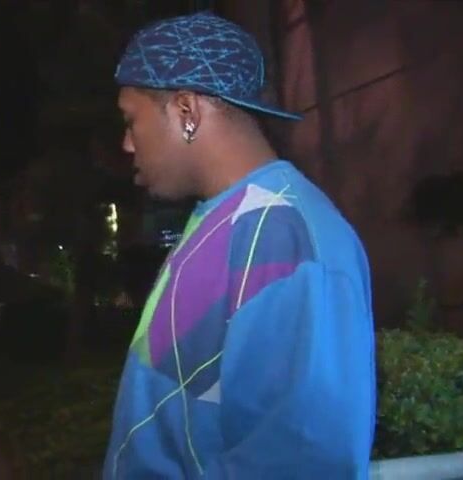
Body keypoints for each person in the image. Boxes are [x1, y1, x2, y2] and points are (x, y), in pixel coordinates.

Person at [104, 12, 375, 479]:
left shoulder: (285, 237)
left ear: (186, 112)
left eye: (131, 120)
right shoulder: (231, 219)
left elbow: (302, 461)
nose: (127, 144)